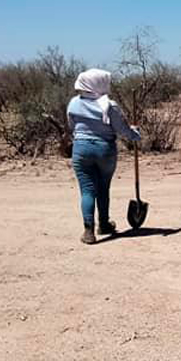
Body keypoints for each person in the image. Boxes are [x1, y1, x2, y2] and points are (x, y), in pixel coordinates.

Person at [66, 69, 141, 245]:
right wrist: (134, 134)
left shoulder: (74, 103)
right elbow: (122, 129)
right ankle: (104, 224)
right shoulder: (109, 105)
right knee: (103, 188)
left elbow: (71, 125)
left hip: (81, 149)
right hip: (105, 149)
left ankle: (88, 231)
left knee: (87, 190)